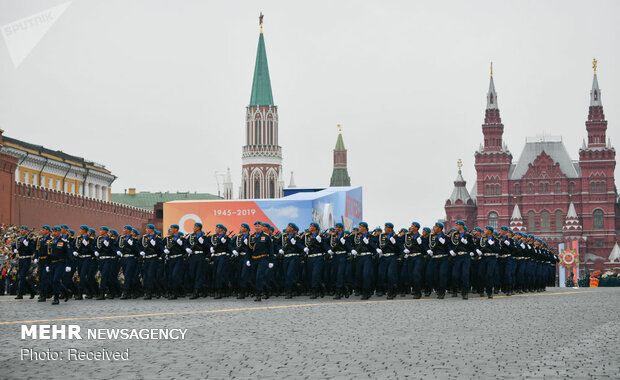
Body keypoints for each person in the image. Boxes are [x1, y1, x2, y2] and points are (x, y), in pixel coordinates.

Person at [249, 221, 274, 301]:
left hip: (263, 259)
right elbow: (249, 250)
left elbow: (271, 249)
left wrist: (271, 261)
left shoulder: (266, 237)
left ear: (262, 227)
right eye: (256, 226)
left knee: (259, 276)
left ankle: (258, 294)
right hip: (254, 259)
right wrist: (247, 259)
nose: (257, 227)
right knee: (252, 277)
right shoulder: (251, 237)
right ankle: (266, 290)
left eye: (259, 226)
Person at [426, 222, 450, 299]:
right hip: (434, 258)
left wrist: (445, 243)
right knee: (435, 276)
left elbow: (449, 246)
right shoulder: (431, 236)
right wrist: (427, 250)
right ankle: (437, 289)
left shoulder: (445, 237)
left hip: (443, 258)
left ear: (439, 228)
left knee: (442, 275)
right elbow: (424, 243)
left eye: (436, 227)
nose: (434, 228)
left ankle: (442, 292)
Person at [303, 222, 327, 299]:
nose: (310, 227)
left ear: (315, 228)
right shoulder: (306, 236)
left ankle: (314, 291)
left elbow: (325, 246)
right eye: (310, 225)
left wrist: (321, 242)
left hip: (318, 257)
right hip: (309, 257)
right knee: (310, 275)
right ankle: (321, 286)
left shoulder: (321, 236)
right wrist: (303, 248)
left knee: (315, 274)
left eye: (311, 226)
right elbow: (298, 243)